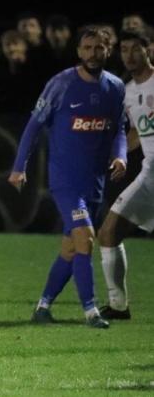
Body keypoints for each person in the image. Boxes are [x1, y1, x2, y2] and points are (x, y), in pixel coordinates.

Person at [8, 26, 127, 329]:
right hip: (65, 181)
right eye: (87, 47)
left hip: (95, 182)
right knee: (86, 238)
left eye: (99, 48)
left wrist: (120, 155)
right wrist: (19, 167)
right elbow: (34, 126)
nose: (92, 53)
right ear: (78, 51)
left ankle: (43, 307)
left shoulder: (114, 87)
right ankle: (91, 311)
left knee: (71, 248)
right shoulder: (60, 84)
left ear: (107, 50)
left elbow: (118, 130)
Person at [97, 30, 154, 320]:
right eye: (124, 50)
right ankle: (118, 306)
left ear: (149, 50)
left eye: (136, 49)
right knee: (108, 233)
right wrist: (112, 155)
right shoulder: (128, 91)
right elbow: (136, 132)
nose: (129, 55)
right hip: (150, 175)